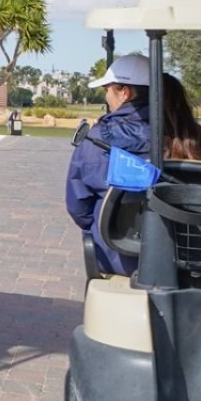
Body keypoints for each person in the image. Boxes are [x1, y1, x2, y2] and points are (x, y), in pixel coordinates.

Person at [65, 53, 152, 275]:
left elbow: (79, 206)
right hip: (181, 259)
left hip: (118, 257)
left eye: (107, 90)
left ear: (124, 92)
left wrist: (98, 227)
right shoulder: (189, 136)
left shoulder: (97, 139)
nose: (106, 98)